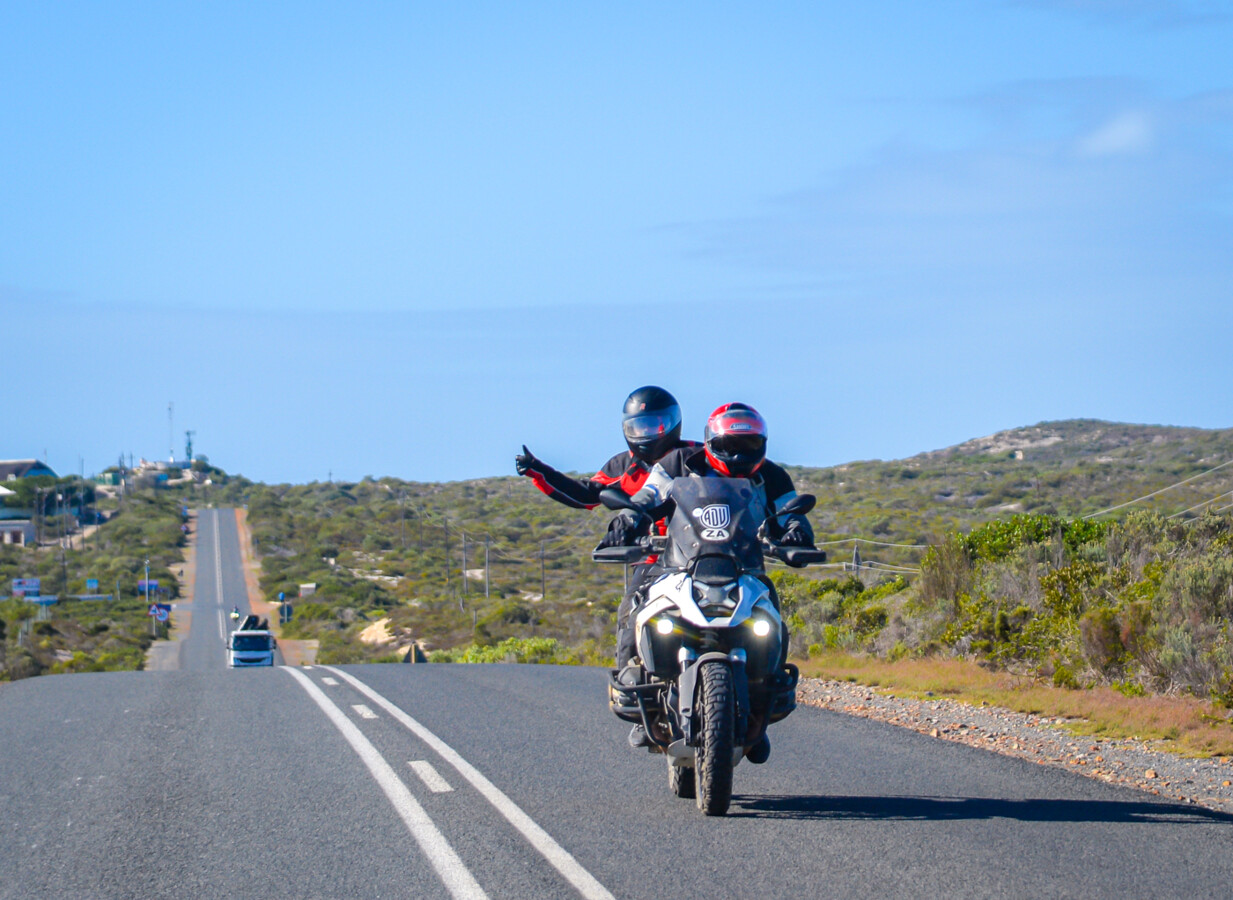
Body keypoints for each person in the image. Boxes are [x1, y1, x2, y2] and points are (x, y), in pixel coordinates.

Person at [621, 402, 816, 753]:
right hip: (680, 563)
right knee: (635, 605)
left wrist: (797, 530)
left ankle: (760, 703)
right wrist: (628, 519)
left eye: (748, 445)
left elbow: (791, 510)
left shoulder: (772, 476)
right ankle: (639, 698)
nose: (738, 453)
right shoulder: (679, 463)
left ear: (762, 444)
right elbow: (649, 494)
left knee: (771, 613)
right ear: (712, 442)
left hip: (743, 567)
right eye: (730, 445)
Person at [515, 385, 698, 666]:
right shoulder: (623, 466)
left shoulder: (696, 456)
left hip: (702, 551)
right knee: (631, 618)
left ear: (671, 424)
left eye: (654, 425)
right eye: (638, 427)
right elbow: (586, 494)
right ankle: (628, 680)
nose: (645, 433)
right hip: (653, 559)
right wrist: (539, 471)